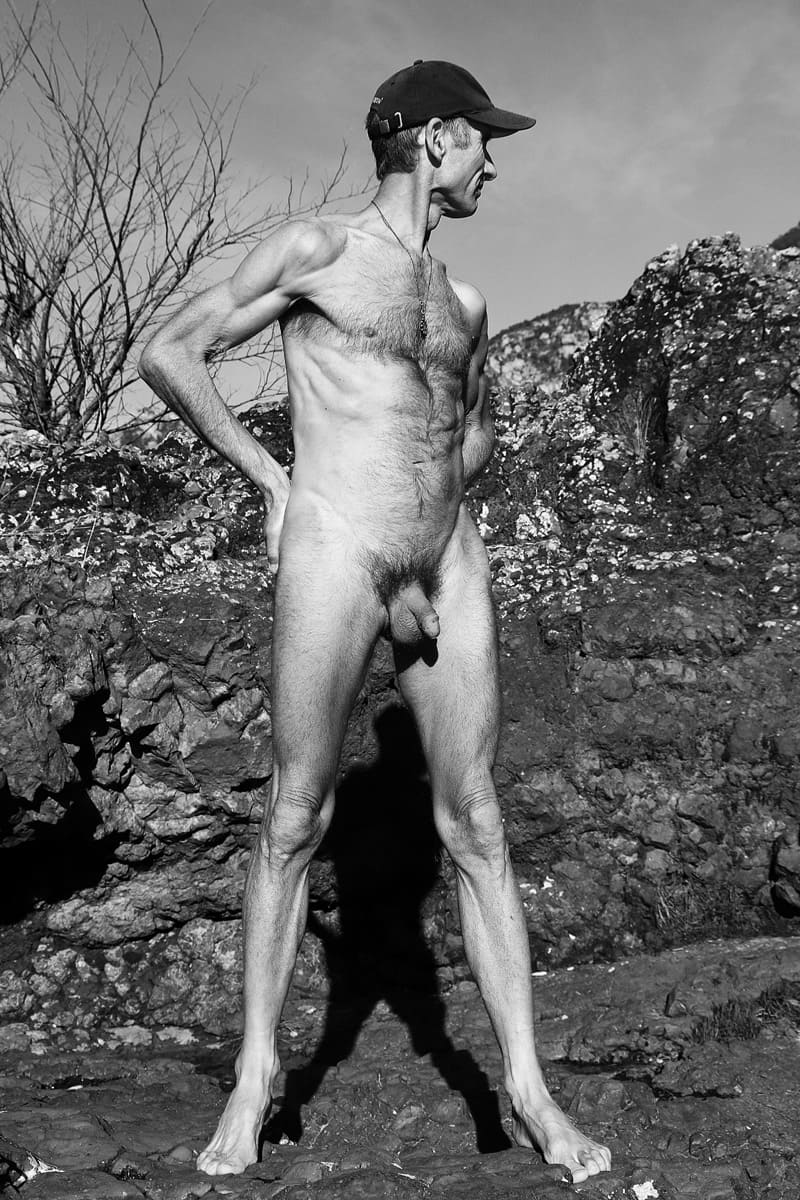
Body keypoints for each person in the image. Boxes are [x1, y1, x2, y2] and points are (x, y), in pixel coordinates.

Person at [138, 59, 611, 1184]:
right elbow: (168, 352)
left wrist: (434, 489)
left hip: (445, 562)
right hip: (336, 554)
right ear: (435, 137)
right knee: (295, 816)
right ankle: (256, 1079)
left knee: (478, 822)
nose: (493, 163)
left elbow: (468, 430)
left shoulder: (465, 303)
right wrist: (273, 483)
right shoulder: (317, 252)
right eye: (484, 139)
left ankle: (530, 1095)